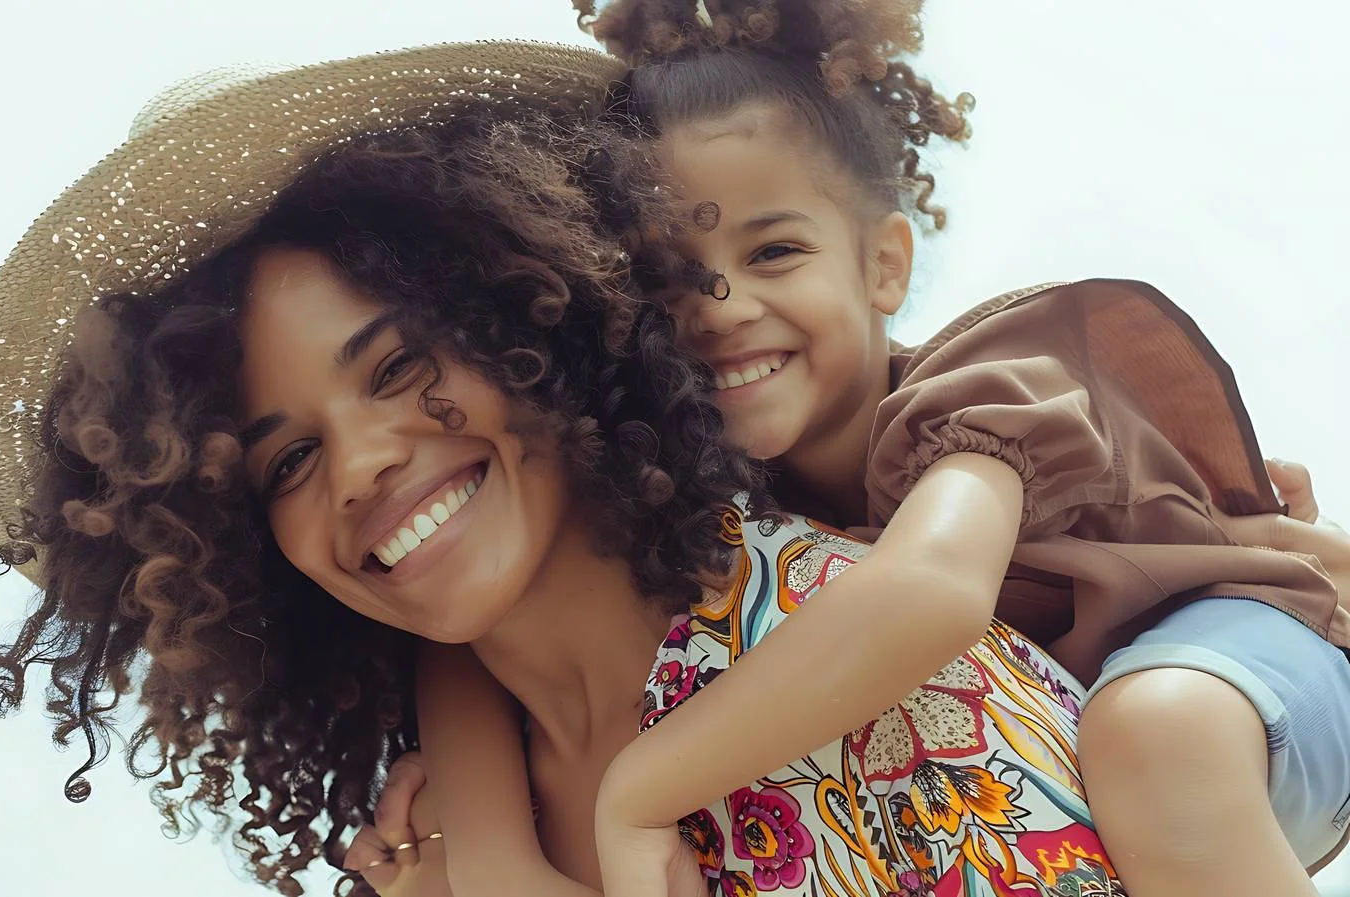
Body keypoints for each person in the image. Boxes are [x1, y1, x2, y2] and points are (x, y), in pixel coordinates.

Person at [0, 43, 1146, 897]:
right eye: (289, 461)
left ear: (540, 315)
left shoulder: (848, 652)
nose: (361, 464)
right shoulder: (450, 830)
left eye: (399, 364)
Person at [404, 3, 1350, 896]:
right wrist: (493, 859)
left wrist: (640, 792)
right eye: (669, 279)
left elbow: (931, 590)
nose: (722, 309)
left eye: (773, 252)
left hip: (1230, 666)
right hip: (1070, 737)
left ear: (883, 263)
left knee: (1156, 731)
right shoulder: (710, 494)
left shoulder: (978, 393)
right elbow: (478, 625)